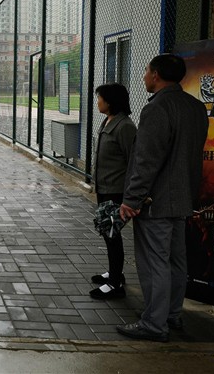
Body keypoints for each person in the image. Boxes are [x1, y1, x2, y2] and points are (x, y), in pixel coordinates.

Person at [116, 54, 208, 342]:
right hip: (183, 198)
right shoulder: (195, 107)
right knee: (176, 261)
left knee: (154, 262)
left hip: (155, 201)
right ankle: (171, 314)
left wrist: (131, 199)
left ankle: (154, 325)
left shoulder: (157, 109)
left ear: (156, 75)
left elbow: (147, 160)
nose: (143, 76)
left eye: (145, 71)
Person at [90, 83, 136, 300]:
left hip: (116, 191)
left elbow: (134, 161)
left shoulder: (125, 127)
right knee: (108, 234)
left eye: (100, 98)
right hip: (105, 188)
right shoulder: (108, 121)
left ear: (110, 101)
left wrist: (130, 195)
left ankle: (115, 284)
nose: (98, 101)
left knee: (112, 235)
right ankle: (114, 272)